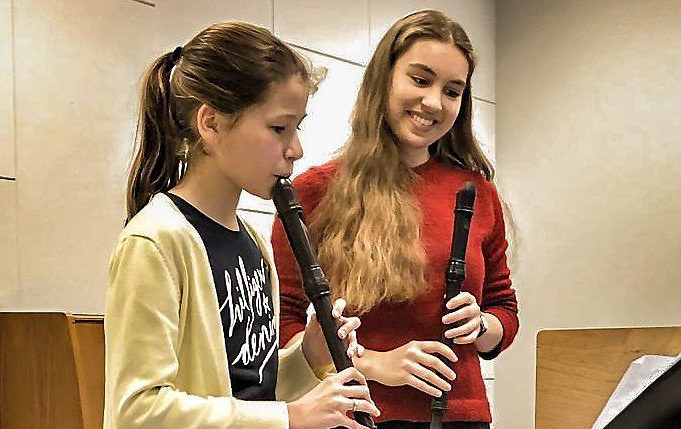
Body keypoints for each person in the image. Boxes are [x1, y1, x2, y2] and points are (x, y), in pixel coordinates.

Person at [104, 21, 380, 429]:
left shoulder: (251, 241)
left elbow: (252, 390)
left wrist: (309, 358)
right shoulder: (156, 241)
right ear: (211, 124)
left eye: (296, 128)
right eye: (278, 128)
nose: (296, 149)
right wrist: (291, 417)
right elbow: (137, 412)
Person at [272, 10, 518, 429]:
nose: (434, 102)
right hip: (355, 416)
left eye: (453, 91)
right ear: (383, 79)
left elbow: (504, 310)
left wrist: (481, 324)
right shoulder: (314, 191)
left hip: (462, 417)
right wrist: (374, 363)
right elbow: (285, 326)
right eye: (420, 80)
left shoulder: (476, 191)